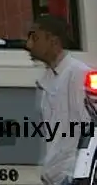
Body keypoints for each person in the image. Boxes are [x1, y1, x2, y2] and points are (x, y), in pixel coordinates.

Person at [25, 14, 91, 185]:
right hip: (56, 175)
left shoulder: (77, 74)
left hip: (71, 175)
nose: (29, 45)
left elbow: (88, 128)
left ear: (53, 41)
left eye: (35, 38)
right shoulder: (49, 79)